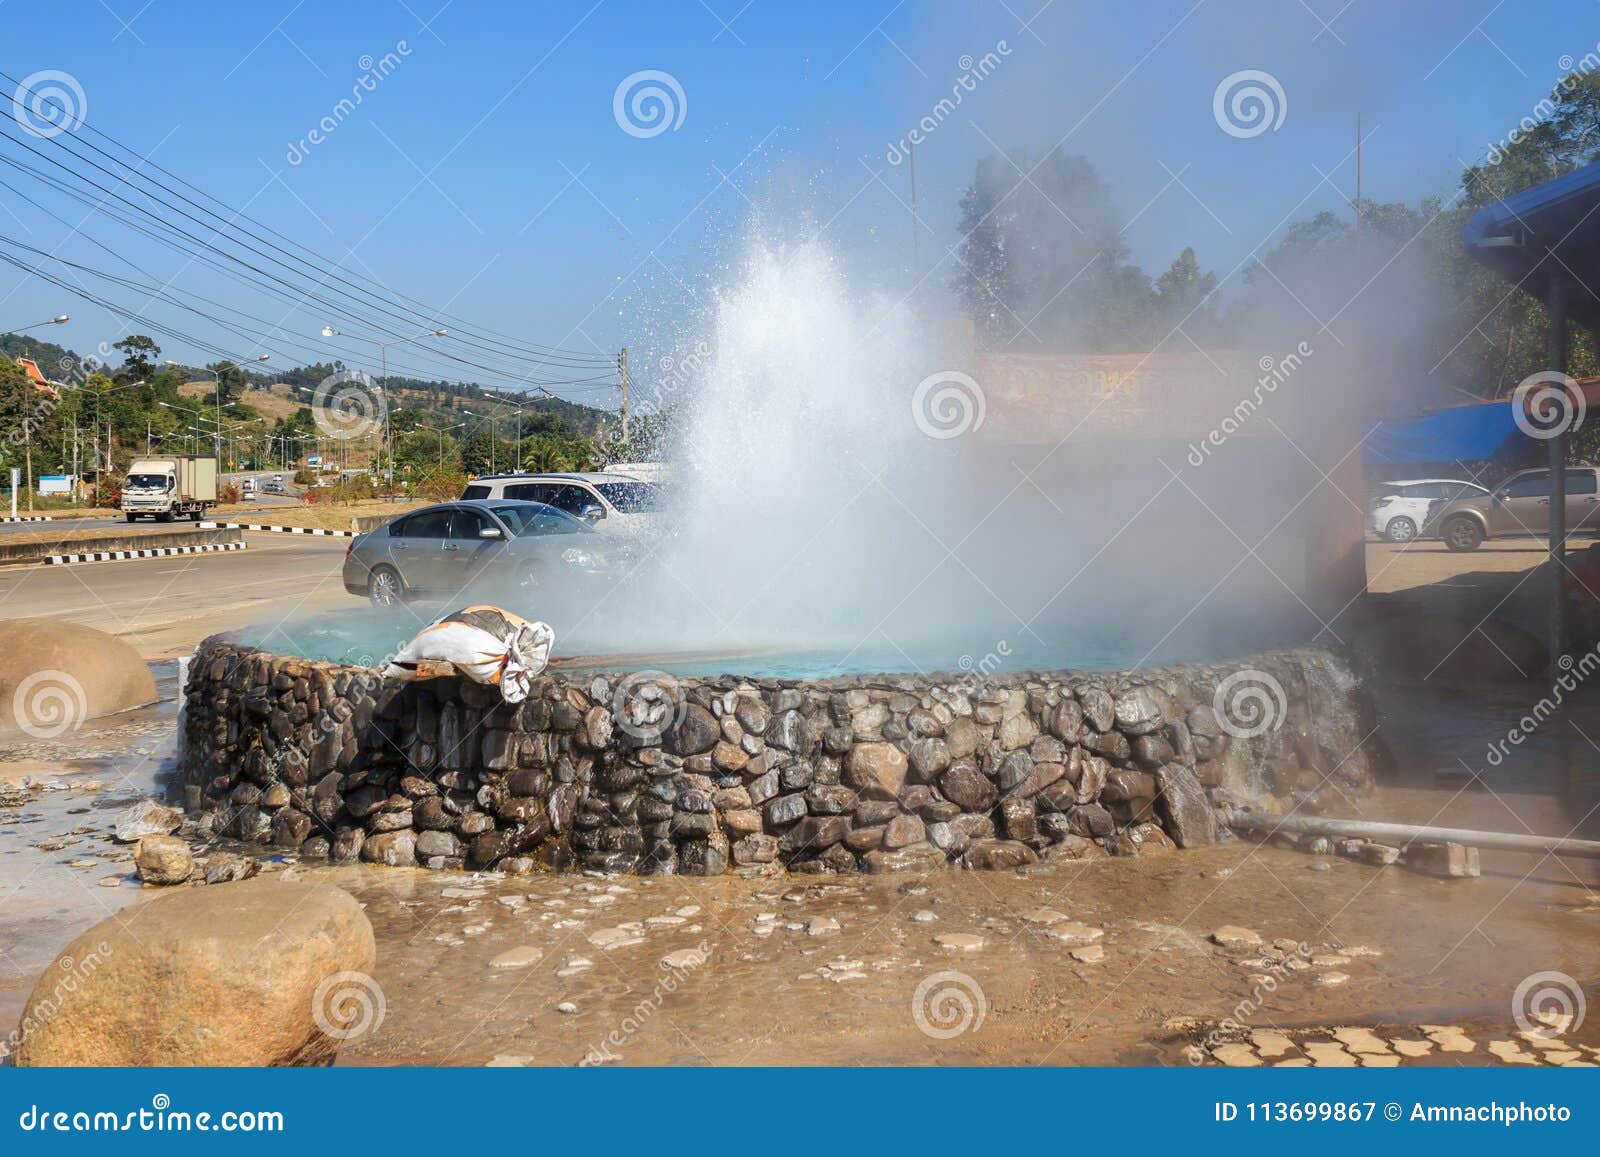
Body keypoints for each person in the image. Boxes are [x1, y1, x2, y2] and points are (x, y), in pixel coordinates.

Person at [1564, 542, 1600, 652]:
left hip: (1593, 609)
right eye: (1595, 557)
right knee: (1567, 607)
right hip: (1586, 609)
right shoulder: (1581, 570)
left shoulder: (1582, 570)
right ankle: (1581, 643)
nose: (1597, 560)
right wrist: (1582, 603)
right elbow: (1562, 591)